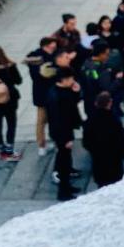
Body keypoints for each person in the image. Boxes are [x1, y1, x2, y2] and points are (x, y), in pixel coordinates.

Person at [46, 67, 83, 201]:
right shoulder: (56, 96)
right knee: (63, 162)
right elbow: (59, 120)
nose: (73, 81)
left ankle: (67, 186)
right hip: (62, 133)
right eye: (71, 79)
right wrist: (66, 139)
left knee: (66, 160)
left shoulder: (61, 91)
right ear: (64, 80)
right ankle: (64, 191)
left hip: (65, 131)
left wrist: (76, 92)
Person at [83, 91, 124, 188]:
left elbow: (86, 142)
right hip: (114, 162)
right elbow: (121, 142)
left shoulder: (90, 120)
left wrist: (94, 150)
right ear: (110, 103)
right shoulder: (114, 120)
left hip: (99, 162)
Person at [23, 36, 59, 155]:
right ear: (46, 46)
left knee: (50, 119)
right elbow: (39, 75)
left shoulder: (47, 54)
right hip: (44, 93)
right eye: (53, 45)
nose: (54, 47)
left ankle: (49, 143)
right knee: (42, 120)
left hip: (46, 92)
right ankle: (42, 145)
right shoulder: (36, 57)